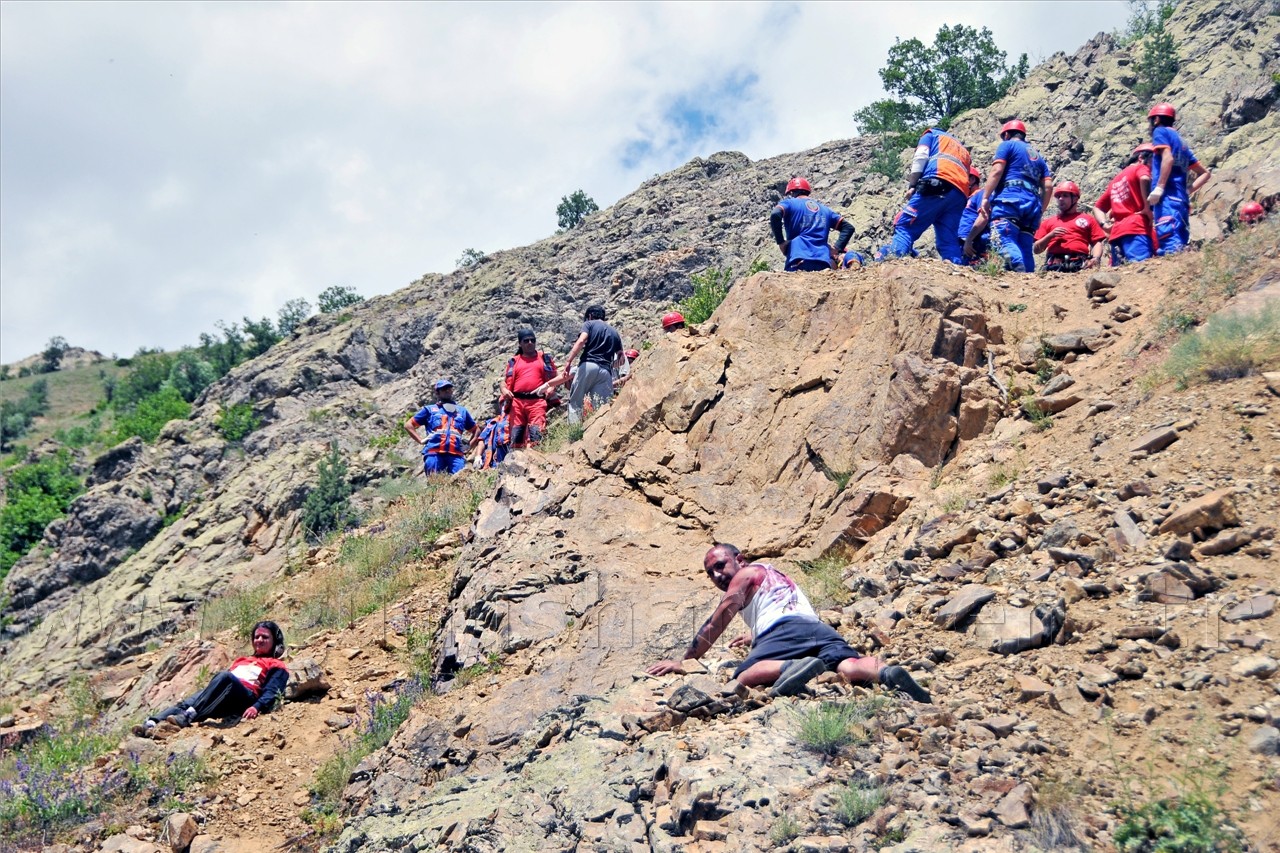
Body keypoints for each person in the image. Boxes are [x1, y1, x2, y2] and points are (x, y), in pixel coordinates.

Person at [646, 544, 931, 702]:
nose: (717, 575)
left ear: (739, 560)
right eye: (710, 573)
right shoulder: (776, 575)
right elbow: (780, 607)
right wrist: (755, 635)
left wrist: (686, 660)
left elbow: (719, 619)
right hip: (816, 629)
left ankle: (791, 668)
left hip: (784, 632)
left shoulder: (746, 575)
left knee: (743, 675)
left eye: (720, 565)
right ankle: (888, 674)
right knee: (848, 667)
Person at [133, 621, 289, 736]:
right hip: (225, 693)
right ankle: (151, 724)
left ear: (275, 642)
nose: (259, 640)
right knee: (186, 702)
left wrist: (257, 706)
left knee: (225, 676)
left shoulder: (276, 664)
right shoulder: (242, 660)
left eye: (265, 637)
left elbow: (273, 690)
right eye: (257, 637)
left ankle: (188, 717)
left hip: (245, 697)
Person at [875, 127, 973, 264]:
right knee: (949, 240)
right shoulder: (962, 149)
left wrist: (912, 186)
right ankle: (956, 272)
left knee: (905, 227)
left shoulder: (931, 135)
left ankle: (893, 263)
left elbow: (921, 157)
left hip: (936, 184)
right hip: (959, 194)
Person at [978, 119, 1054, 272]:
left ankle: (1017, 273)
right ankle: (1028, 280)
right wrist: (1041, 211)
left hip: (1010, 199)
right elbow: (1048, 186)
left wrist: (985, 197)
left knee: (1002, 237)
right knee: (1025, 245)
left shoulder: (1007, 145)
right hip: (1032, 205)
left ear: (1006, 134)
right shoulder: (1038, 156)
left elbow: (997, 171)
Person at [1146, 103, 1211, 255]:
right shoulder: (1181, 142)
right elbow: (1205, 173)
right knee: (1180, 239)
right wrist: (1187, 191)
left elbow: (1167, 158)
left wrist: (1159, 187)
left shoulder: (1160, 131)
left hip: (1167, 197)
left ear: (1156, 120)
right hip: (1181, 200)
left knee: (1170, 242)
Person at [769, 177, 855, 271]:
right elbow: (848, 228)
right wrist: (836, 248)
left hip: (798, 258)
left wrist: (781, 242)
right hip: (823, 262)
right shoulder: (825, 209)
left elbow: (775, 214)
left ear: (792, 192)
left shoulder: (790, 203)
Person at [1094, 144, 1158, 265]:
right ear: (1141, 158)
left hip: (1116, 233)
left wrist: (1104, 225)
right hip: (1136, 227)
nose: (1155, 166)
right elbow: (1145, 179)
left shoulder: (1116, 180)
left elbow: (1098, 207)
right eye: (1153, 160)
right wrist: (1147, 207)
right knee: (1139, 269)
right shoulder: (1140, 167)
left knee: (1120, 275)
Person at [502, 329, 562, 449]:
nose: (530, 343)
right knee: (516, 435)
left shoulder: (544, 358)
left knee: (536, 433)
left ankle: (537, 457)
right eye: (526, 341)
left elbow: (556, 376)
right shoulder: (514, 361)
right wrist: (503, 389)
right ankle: (514, 461)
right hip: (517, 403)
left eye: (532, 340)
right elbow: (504, 382)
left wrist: (552, 387)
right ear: (520, 343)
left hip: (537, 401)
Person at [562, 305, 623, 425]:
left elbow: (581, 340)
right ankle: (601, 429)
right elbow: (621, 357)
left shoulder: (589, 324)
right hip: (606, 371)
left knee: (576, 400)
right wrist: (611, 364)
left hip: (588, 365)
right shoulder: (614, 331)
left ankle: (574, 432)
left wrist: (568, 361)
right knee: (602, 406)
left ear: (590, 316)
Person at [403, 379, 478, 475]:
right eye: (443, 389)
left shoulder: (462, 411)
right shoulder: (429, 410)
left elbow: (476, 430)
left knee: (461, 483)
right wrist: (420, 440)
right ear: (437, 393)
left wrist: (468, 446)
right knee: (435, 484)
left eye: (449, 388)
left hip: (456, 455)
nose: (447, 391)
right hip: (434, 453)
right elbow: (408, 425)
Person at [1033, 181, 1107, 272]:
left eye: (1065, 196)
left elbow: (1096, 242)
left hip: (1079, 264)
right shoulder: (1048, 222)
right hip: (1054, 266)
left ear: (1075, 198)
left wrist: (1096, 258)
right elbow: (1036, 250)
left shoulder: (1088, 219)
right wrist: (1050, 236)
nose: (1060, 199)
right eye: (1058, 196)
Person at [960, 166, 991, 263]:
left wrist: (969, 239)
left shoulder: (981, 194)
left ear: (972, 179)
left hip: (974, 241)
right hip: (963, 242)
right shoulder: (966, 199)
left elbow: (984, 216)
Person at [473, 400, 511, 469]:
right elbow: (482, 440)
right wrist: (478, 457)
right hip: (491, 463)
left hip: (509, 461)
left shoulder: (517, 423)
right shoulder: (492, 423)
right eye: (503, 405)